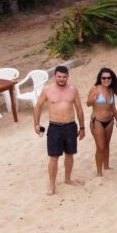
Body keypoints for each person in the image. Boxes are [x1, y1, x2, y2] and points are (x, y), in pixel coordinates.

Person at [34, 65, 85, 196]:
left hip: (70, 125)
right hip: (55, 126)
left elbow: (79, 109)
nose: (62, 79)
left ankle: (68, 179)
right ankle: (52, 184)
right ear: (55, 76)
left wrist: (82, 127)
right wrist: (36, 124)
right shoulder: (47, 90)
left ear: (67, 76)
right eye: (59, 77)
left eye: (64, 77)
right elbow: (38, 106)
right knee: (54, 157)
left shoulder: (73, 90)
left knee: (70, 154)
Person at [87, 67, 117, 177]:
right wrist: (93, 100)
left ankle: (106, 165)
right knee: (100, 147)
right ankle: (99, 171)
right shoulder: (95, 89)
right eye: (104, 78)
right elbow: (88, 103)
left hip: (109, 120)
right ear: (100, 78)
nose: (106, 80)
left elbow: (113, 107)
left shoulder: (111, 90)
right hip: (97, 120)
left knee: (107, 144)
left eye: (108, 78)